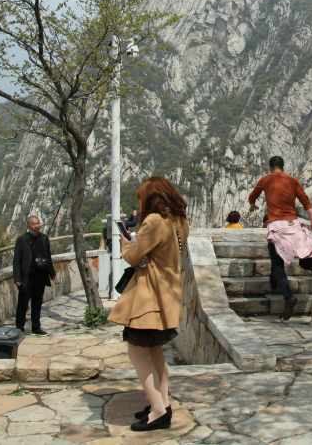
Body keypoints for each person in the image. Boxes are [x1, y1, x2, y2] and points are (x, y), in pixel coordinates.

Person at [108, 177, 190, 433]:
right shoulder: (179, 220)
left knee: (136, 353)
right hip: (168, 293)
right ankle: (162, 404)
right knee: (155, 351)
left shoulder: (154, 220)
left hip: (150, 297)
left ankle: (157, 410)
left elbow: (133, 257)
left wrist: (126, 242)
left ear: (151, 198)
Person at [248, 156, 312, 320]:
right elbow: (306, 202)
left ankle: (288, 296)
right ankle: (273, 283)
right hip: (293, 225)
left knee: (277, 263)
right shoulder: (293, 181)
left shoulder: (265, 180)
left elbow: (252, 197)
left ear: (269, 168)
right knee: (276, 259)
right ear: (284, 167)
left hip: (276, 227)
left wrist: (252, 205)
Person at [13, 215, 58, 335]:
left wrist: (52, 272)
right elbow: (16, 260)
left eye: (38, 223)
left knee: (37, 304)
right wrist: (17, 278)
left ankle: (36, 327)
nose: (36, 226)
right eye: (33, 224)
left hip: (40, 276)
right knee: (23, 304)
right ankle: (19, 327)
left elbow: (48, 257)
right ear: (28, 226)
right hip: (26, 277)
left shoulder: (44, 238)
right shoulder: (22, 240)